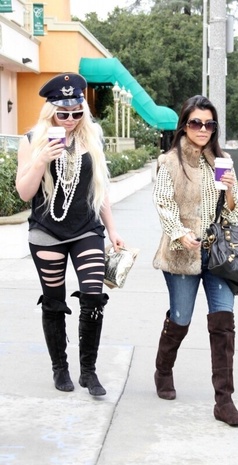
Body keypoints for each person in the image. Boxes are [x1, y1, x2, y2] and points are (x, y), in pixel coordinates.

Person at [16, 73, 124, 396]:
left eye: (77, 113)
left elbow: (99, 189)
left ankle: (88, 371)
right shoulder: (32, 139)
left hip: (86, 229)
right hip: (47, 231)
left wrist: (113, 229)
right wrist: (40, 161)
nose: (71, 120)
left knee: (93, 297)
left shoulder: (91, 137)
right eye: (63, 114)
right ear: (51, 111)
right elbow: (24, 192)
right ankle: (59, 367)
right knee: (54, 301)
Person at [152, 95, 238, 426]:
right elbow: (164, 203)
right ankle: (163, 370)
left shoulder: (223, 160)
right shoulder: (170, 163)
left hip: (218, 255)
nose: (203, 129)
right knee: (181, 319)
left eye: (209, 124)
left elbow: (234, 216)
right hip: (183, 255)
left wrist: (231, 190)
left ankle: (224, 401)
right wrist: (180, 235)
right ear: (185, 125)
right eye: (196, 123)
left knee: (223, 325)